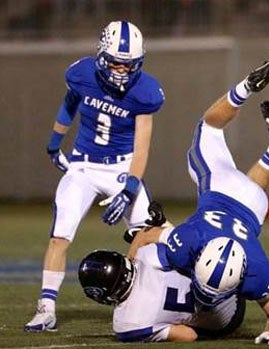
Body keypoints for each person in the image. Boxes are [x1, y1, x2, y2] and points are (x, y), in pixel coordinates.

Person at [127, 54, 269, 345]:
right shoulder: (255, 271)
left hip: (254, 204)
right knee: (210, 130)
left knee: (210, 128)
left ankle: (267, 124)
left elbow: (148, 235)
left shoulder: (192, 242)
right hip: (233, 193)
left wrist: (132, 267)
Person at [24, 20, 165, 332]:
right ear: (102, 56)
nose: (121, 72)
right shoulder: (81, 73)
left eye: (129, 66)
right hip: (84, 166)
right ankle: (46, 308)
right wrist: (54, 142)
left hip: (122, 166)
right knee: (60, 235)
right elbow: (70, 103)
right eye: (116, 63)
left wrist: (129, 188)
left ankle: (157, 300)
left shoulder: (145, 92)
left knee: (151, 235)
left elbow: (142, 149)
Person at [78, 244, 246, 342]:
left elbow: (188, 335)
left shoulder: (126, 325)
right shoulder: (147, 255)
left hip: (226, 320)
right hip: (230, 280)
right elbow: (185, 253)